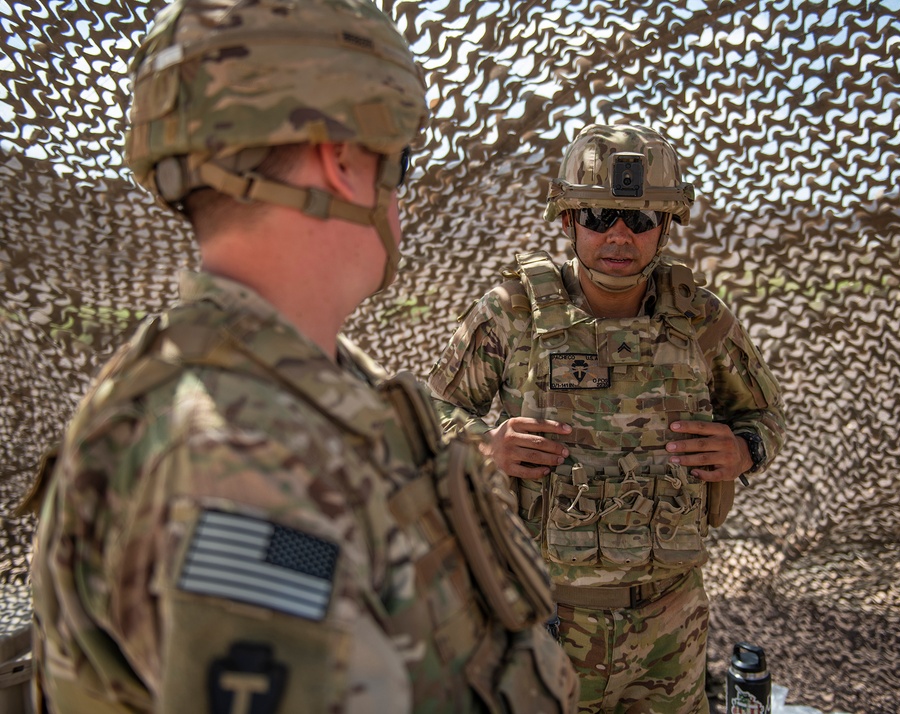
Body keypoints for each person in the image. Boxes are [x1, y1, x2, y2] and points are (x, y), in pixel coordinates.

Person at [27, 1, 579, 712]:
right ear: (342, 157)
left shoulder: (311, 383)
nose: (401, 201)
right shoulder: (235, 463)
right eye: (400, 162)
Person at [428, 123, 786, 713]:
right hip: (544, 616)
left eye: (641, 220)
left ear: (666, 228)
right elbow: (432, 410)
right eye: (597, 216)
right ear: (568, 221)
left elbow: (764, 413)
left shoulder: (700, 320)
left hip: (669, 625)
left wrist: (745, 449)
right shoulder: (513, 312)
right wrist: (485, 446)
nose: (619, 235)